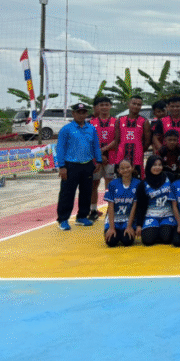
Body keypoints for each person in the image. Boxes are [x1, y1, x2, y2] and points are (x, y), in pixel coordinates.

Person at [56, 102, 102, 230]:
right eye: (78, 112)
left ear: (86, 114)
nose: (81, 115)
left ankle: (82, 216)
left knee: (86, 191)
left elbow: (95, 146)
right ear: (73, 113)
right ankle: (63, 219)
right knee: (67, 193)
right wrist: (62, 166)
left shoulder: (91, 128)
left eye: (83, 112)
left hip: (87, 164)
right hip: (71, 165)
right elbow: (60, 148)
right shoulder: (66, 129)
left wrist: (98, 161)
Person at [89, 96, 117, 221]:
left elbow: (117, 140)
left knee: (110, 186)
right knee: (93, 185)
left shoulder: (116, 121)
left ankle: (110, 211)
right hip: (96, 159)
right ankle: (93, 210)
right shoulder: (91, 123)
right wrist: (99, 155)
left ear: (110, 106)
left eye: (106, 104)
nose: (104, 107)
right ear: (97, 107)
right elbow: (90, 141)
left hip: (112, 158)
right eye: (101, 105)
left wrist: (103, 150)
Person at [138, 155, 176, 246]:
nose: (157, 167)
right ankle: (157, 231)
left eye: (160, 165)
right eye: (154, 165)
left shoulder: (170, 177)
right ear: (149, 166)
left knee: (167, 238)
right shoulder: (143, 184)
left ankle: (161, 231)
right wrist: (139, 225)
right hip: (151, 215)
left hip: (168, 214)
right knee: (147, 240)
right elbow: (141, 206)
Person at [103, 159, 139, 247]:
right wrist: (111, 228)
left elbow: (135, 207)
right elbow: (110, 207)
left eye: (128, 167)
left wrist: (129, 226)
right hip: (114, 219)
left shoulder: (138, 184)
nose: (125, 170)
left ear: (132, 168)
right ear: (118, 170)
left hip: (128, 219)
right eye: (122, 168)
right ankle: (113, 229)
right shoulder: (112, 184)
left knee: (127, 241)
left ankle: (125, 230)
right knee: (111, 241)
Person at [114, 96, 151, 177]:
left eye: (139, 104)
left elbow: (147, 142)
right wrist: (118, 151)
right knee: (120, 179)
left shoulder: (144, 121)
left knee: (137, 180)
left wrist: (140, 150)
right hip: (121, 155)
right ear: (128, 104)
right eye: (134, 103)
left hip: (137, 157)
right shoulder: (119, 120)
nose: (136, 106)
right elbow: (116, 140)